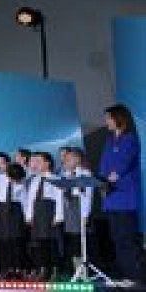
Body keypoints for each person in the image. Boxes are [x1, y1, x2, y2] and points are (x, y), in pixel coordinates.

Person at [99, 104, 143, 284]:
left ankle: (136, 277)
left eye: (108, 117)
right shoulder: (110, 140)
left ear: (119, 118)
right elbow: (103, 164)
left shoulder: (130, 138)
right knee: (116, 239)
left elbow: (126, 160)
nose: (106, 121)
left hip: (125, 197)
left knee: (127, 240)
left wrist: (114, 175)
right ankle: (125, 276)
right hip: (111, 198)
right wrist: (102, 179)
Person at [25, 152, 63, 280]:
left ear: (47, 163)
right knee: (39, 243)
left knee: (51, 242)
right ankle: (43, 269)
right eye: (35, 162)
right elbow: (30, 199)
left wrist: (58, 216)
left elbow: (59, 199)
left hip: (49, 211)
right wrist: (29, 215)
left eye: (39, 161)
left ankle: (54, 269)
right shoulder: (34, 180)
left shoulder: (56, 179)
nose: (36, 164)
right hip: (37, 213)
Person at [60, 147, 92, 277]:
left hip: (80, 209)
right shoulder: (65, 175)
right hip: (70, 211)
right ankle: (76, 270)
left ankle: (84, 273)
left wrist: (85, 215)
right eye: (65, 160)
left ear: (77, 159)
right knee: (72, 241)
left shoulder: (85, 174)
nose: (65, 162)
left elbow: (88, 196)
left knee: (81, 241)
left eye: (68, 159)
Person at [0, 155, 27, 278]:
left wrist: (27, 217)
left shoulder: (20, 180)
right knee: (4, 241)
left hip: (16, 211)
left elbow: (25, 201)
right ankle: (6, 269)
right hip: (2, 210)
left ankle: (18, 269)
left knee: (16, 241)